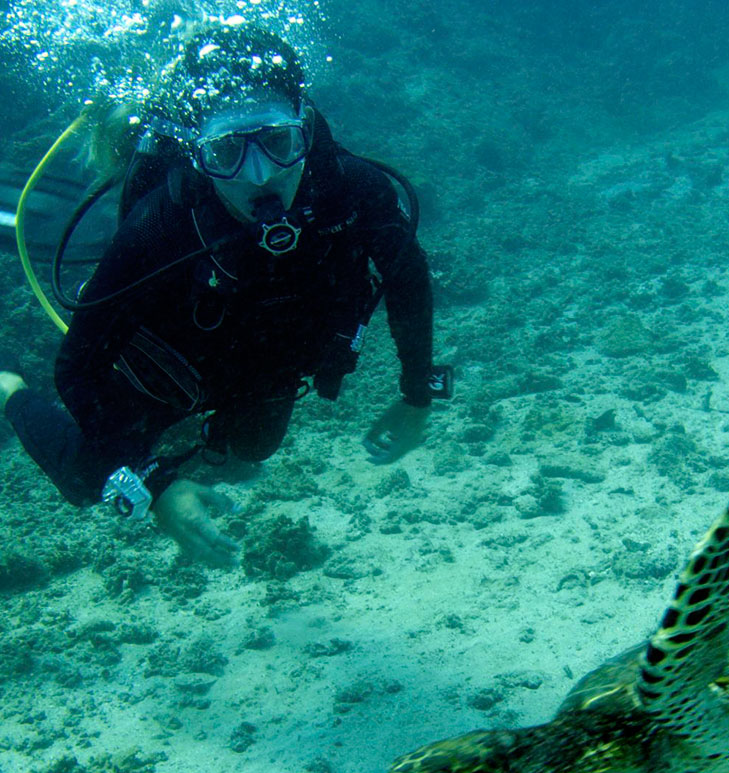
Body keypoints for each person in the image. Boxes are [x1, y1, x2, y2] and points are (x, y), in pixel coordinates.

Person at [0, 23, 445, 567]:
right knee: (89, 478)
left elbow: (408, 281)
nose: (259, 176)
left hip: (264, 367)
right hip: (168, 369)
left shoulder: (354, 191)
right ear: (197, 151)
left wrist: (418, 396)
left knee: (253, 449)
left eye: (277, 142)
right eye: (227, 151)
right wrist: (156, 485)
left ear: (302, 129)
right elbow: (76, 367)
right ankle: (6, 385)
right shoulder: (160, 225)